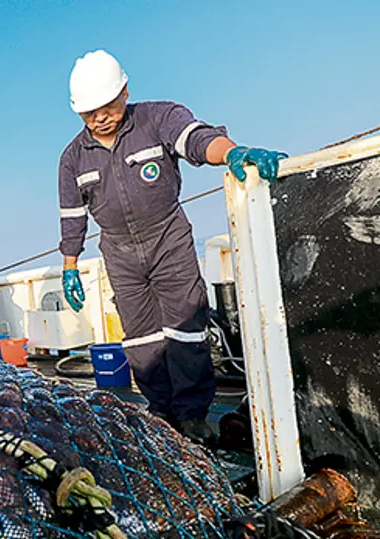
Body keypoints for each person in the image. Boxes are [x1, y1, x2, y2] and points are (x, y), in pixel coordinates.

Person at [57, 50, 286, 445]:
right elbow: (72, 216)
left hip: (169, 239)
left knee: (185, 329)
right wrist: (69, 266)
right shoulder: (72, 159)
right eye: (88, 113)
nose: (99, 118)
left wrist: (231, 152)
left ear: (125, 92)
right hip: (120, 253)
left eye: (106, 107)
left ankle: (192, 414)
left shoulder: (158, 118)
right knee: (141, 340)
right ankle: (161, 410)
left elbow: (196, 139)